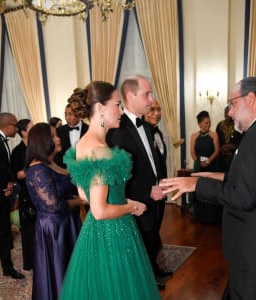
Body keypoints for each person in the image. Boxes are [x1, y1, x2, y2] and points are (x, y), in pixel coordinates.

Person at [160, 77, 256, 300]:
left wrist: (197, 184)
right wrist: (223, 176)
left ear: (250, 99)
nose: (230, 112)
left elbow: (243, 197)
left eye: (232, 104)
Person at [59, 81, 161, 299]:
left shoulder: (82, 145)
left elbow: (84, 194)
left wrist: (118, 197)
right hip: (114, 233)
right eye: (117, 104)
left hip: (93, 234)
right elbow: (100, 210)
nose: (121, 110)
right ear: (102, 108)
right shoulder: (100, 151)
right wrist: (131, 206)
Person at [106, 75, 171, 290]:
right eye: (147, 94)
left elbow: (152, 161)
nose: (151, 100)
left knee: (152, 237)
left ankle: (153, 269)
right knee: (140, 242)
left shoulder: (147, 126)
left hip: (156, 195)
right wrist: (146, 191)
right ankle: (145, 280)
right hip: (138, 200)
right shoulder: (117, 130)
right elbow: (117, 179)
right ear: (130, 96)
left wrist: (161, 182)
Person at [25, 123, 85, 300]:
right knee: (60, 271)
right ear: (43, 141)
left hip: (68, 222)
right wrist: (81, 201)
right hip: (55, 228)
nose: (58, 138)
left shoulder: (50, 163)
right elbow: (54, 206)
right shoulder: (38, 169)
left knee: (73, 269)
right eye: (53, 135)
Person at [0, 113, 25, 290]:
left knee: (5, 234)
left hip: (4, 197)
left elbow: (5, 169)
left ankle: (8, 268)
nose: (17, 129)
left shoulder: (4, 140)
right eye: (16, 126)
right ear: (7, 125)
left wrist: (11, 184)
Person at [11, 118, 35, 271]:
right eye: (31, 127)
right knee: (28, 230)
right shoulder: (17, 152)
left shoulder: (36, 147)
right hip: (26, 194)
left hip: (39, 191)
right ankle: (29, 263)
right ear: (24, 132)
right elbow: (16, 175)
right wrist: (34, 169)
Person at [189, 110, 222, 224]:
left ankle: (212, 217)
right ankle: (200, 216)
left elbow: (217, 151)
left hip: (212, 166)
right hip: (199, 167)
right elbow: (192, 153)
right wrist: (198, 161)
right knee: (199, 189)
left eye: (209, 122)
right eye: (206, 123)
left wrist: (208, 161)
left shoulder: (214, 135)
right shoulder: (194, 136)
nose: (208, 125)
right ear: (199, 124)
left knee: (211, 190)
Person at [144, 98, 167, 250]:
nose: (157, 113)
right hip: (148, 192)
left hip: (161, 188)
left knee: (157, 224)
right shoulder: (142, 135)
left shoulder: (158, 133)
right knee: (149, 230)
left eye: (158, 109)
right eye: (152, 110)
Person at [55, 102, 89, 168]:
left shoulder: (89, 130)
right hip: (65, 171)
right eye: (65, 114)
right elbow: (57, 155)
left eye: (70, 114)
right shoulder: (59, 131)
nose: (67, 118)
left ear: (78, 114)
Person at [216, 106, 242, 172]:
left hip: (235, 158)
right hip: (221, 158)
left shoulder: (238, 125)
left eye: (227, 112)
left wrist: (232, 149)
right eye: (225, 112)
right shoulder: (220, 125)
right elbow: (217, 140)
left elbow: (240, 141)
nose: (226, 114)